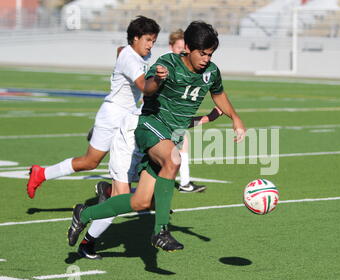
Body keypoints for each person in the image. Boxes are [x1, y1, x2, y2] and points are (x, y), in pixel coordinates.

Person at [67, 21, 246, 253]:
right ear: (188, 48)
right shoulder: (167, 63)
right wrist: (158, 79)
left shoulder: (211, 72)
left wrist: (235, 118)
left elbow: (219, 95)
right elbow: (148, 88)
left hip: (171, 136)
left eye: (210, 54)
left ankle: (85, 213)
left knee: (140, 201)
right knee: (173, 160)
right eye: (202, 53)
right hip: (150, 126)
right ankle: (160, 231)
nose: (206, 59)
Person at [26, 16, 160, 199]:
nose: (151, 45)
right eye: (148, 40)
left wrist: (121, 54)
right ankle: (42, 174)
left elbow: (120, 49)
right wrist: (160, 80)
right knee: (90, 162)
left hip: (127, 116)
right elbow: (144, 87)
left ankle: (126, 193)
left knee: (138, 159)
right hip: (113, 115)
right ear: (135, 37)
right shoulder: (130, 59)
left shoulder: (136, 53)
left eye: (153, 41)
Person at [169, 29, 210, 193]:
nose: (182, 50)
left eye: (183, 47)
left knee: (183, 142)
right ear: (171, 47)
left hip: (175, 119)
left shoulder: (185, 66)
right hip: (159, 118)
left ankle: (185, 183)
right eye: (179, 47)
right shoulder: (169, 65)